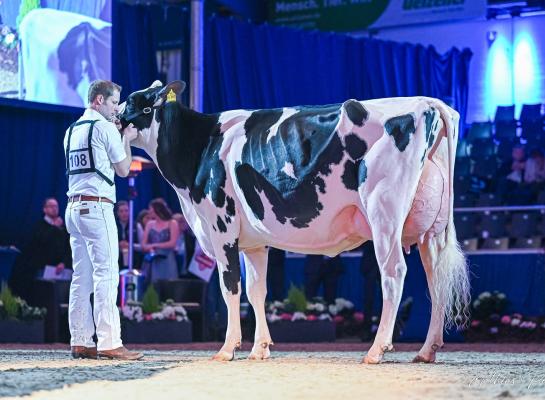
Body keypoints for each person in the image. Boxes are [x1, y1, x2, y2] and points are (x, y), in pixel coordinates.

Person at [63, 79, 142, 360]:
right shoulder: (105, 128)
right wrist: (127, 139)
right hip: (97, 208)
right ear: (98, 100)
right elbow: (122, 169)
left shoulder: (71, 131)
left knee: (80, 278)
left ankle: (80, 340)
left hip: (73, 208)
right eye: (111, 103)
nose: (115, 110)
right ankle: (110, 341)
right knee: (107, 275)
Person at [9, 197, 72, 301]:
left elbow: (67, 248)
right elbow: (39, 244)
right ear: (44, 209)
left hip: (57, 270)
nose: (54, 209)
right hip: (40, 269)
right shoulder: (39, 226)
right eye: (51, 206)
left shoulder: (63, 228)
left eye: (56, 206)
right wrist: (54, 228)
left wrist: (63, 263)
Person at [141, 198, 179, 283]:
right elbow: (143, 244)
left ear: (157, 210)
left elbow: (172, 243)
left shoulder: (172, 223)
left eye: (150, 209)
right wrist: (149, 248)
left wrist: (154, 245)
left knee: (169, 285)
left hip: (168, 259)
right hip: (153, 260)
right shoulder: (150, 224)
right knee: (154, 286)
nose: (148, 211)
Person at [115, 200, 141, 269]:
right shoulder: (112, 227)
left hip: (135, 264)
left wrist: (130, 245)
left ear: (130, 212)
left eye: (126, 210)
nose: (124, 213)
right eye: (121, 211)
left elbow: (142, 246)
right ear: (117, 213)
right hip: (116, 264)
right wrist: (118, 245)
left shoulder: (136, 226)